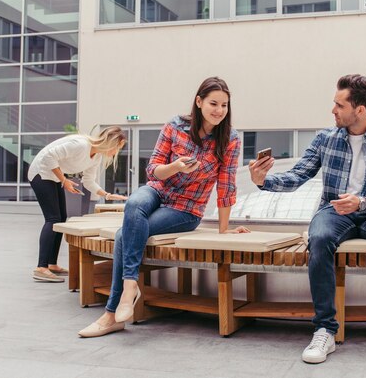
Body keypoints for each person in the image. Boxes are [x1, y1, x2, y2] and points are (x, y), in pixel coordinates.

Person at [249, 74, 366, 365]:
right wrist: (264, 181)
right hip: (334, 211)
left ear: (359, 110)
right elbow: (299, 175)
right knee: (321, 237)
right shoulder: (325, 138)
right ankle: (325, 328)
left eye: (339, 105)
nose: (333, 110)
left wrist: (362, 202)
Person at [79, 76, 250, 338]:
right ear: (199, 101)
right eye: (214, 103)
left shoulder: (230, 139)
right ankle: (129, 287)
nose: (219, 110)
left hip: (186, 209)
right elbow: (153, 171)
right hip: (159, 190)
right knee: (134, 204)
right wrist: (176, 167)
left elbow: (226, 184)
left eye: (225, 105)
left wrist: (224, 230)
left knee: (125, 234)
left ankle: (111, 314)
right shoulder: (176, 126)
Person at [28, 127, 128, 283]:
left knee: (61, 219)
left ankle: (52, 264)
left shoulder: (96, 157)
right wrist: (64, 180)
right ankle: (41, 267)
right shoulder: (81, 145)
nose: (116, 153)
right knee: (53, 218)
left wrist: (107, 195)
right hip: (40, 173)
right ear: (111, 143)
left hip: (54, 177)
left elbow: (88, 181)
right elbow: (49, 157)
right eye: (117, 148)